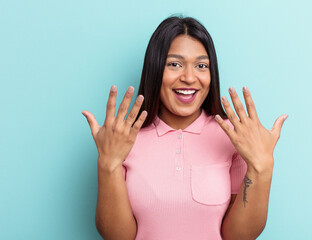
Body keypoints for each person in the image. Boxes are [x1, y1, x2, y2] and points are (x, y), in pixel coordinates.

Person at [82, 16, 288, 240]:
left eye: (201, 65)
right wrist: (107, 164)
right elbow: (117, 237)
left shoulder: (233, 135)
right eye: (174, 64)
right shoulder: (124, 138)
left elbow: (237, 236)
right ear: (155, 69)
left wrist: (262, 168)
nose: (189, 78)